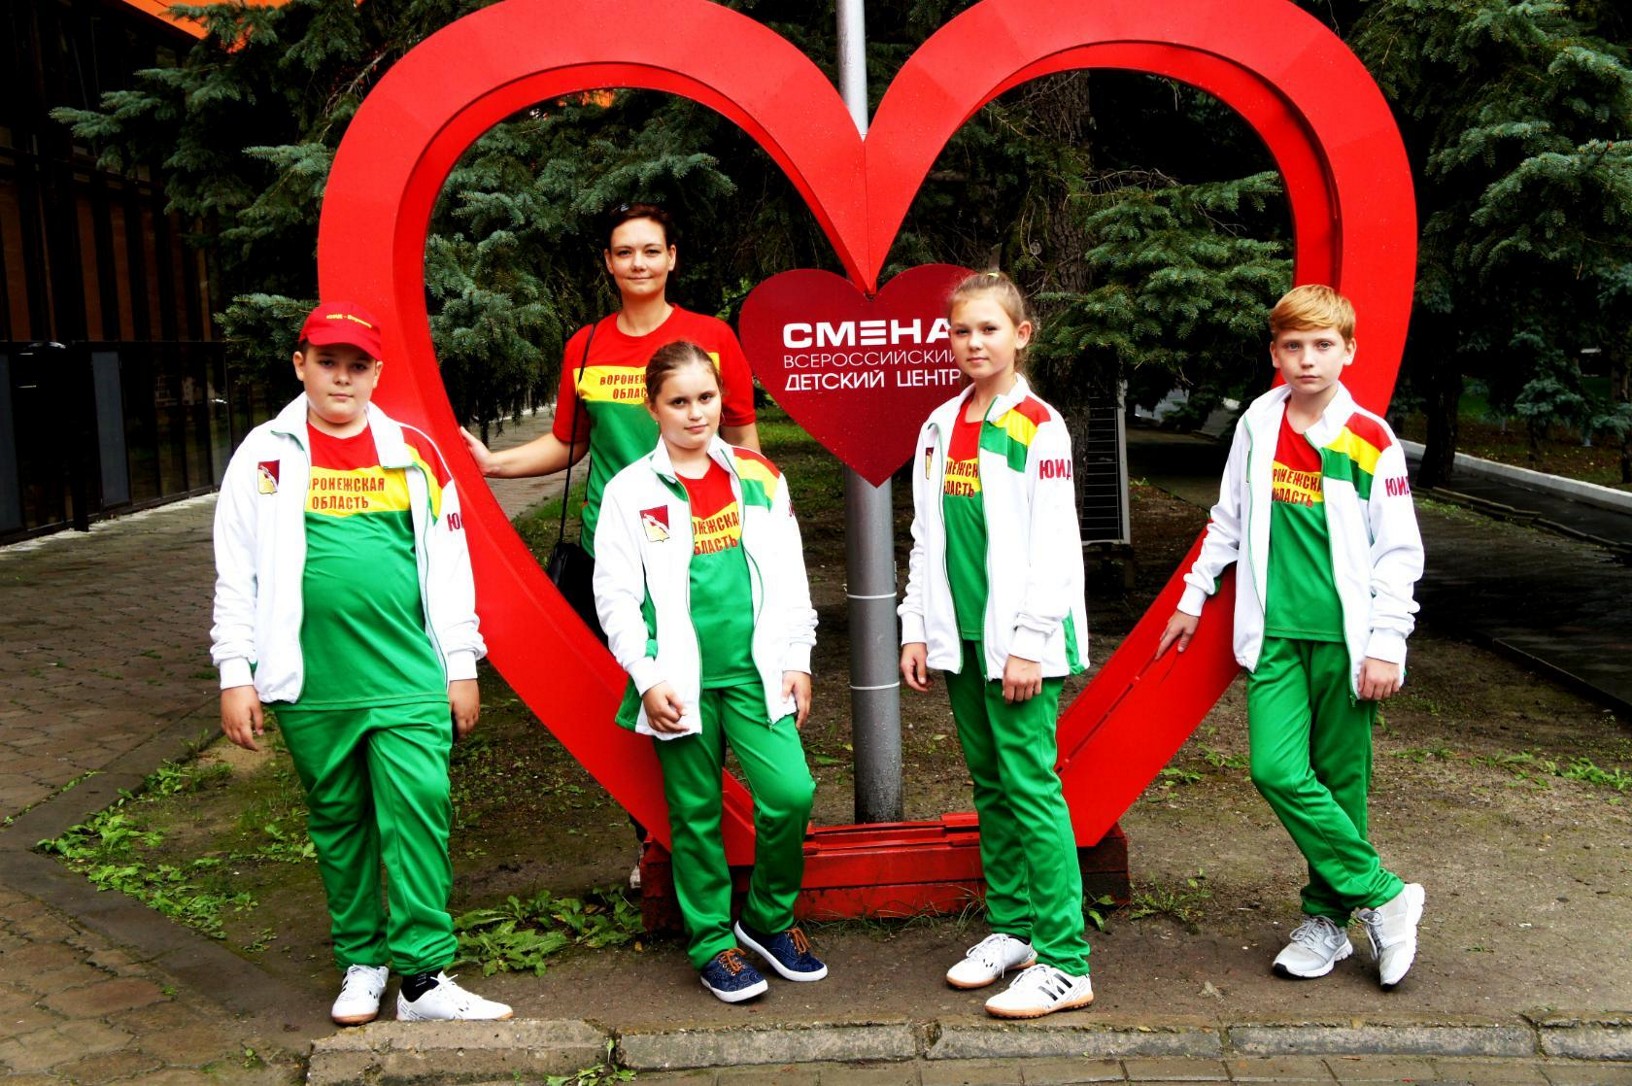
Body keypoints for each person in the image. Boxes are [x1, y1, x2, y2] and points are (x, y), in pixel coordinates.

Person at [211, 302, 512, 1025]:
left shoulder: (413, 451)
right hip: (310, 680)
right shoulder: (262, 453)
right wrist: (235, 673)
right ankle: (363, 963)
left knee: (419, 809)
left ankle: (423, 979)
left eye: (357, 365)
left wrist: (461, 662)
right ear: (300, 365)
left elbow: (450, 564)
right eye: (327, 362)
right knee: (339, 822)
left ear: (377, 373)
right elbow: (236, 571)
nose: (341, 378)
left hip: (407, 673)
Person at [462, 202, 760, 889]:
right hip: (616, 557)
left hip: (702, 552)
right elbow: (569, 444)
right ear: (608, 262)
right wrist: (495, 464)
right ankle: (653, 840)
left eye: (651, 250)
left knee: (701, 695)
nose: (638, 263)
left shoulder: (711, 338)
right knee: (638, 698)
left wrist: (760, 528)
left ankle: (703, 838)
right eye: (625, 252)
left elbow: (743, 443)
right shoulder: (587, 345)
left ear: (672, 258)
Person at [1156, 284, 1426, 990]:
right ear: (1275, 353)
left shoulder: (1369, 438)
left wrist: (1386, 643)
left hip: (1347, 643)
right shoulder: (1258, 421)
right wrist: (1193, 594)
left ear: (1349, 351)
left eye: (1323, 345)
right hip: (1274, 635)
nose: (1308, 359)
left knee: (1341, 782)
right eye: (1294, 346)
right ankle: (1386, 895)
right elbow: (1229, 517)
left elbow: (1399, 554)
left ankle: (1327, 922)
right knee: (1275, 769)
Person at [593, 340, 823, 1004]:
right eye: (679, 402)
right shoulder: (630, 491)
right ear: (653, 408)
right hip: (679, 683)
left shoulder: (759, 475)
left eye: (707, 397)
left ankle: (767, 919)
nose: (696, 414)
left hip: (756, 674)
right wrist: (646, 676)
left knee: (791, 794)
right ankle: (712, 943)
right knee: (695, 815)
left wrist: (798, 659)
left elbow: (791, 577)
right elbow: (615, 596)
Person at [899, 271, 1095, 1019]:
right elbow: (927, 537)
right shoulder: (939, 425)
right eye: (961, 330)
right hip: (963, 640)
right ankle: (1015, 929)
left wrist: (1029, 642)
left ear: (1021, 334)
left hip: (1021, 644)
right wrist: (917, 626)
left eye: (989, 329)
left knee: (1031, 789)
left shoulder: (1038, 425)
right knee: (991, 785)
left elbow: (1055, 544)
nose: (974, 342)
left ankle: (1066, 961)